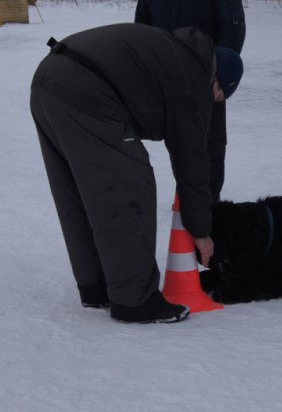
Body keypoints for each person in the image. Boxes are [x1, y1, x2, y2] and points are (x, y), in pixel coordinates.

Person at [30, 23, 243, 324]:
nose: (215, 104)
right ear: (218, 81)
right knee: (128, 188)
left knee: (78, 191)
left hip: (47, 81)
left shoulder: (176, 54)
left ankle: (96, 287)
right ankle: (135, 299)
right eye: (220, 97)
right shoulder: (193, 79)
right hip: (89, 89)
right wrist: (202, 231)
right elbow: (192, 163)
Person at [135, 0, 246, 203]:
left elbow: (233, 30)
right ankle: (187, 194)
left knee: (210, 144)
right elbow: (141, 34)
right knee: (179, 142)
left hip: (207, 80)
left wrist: (221, 74)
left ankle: (208, 202)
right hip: (168, 81)